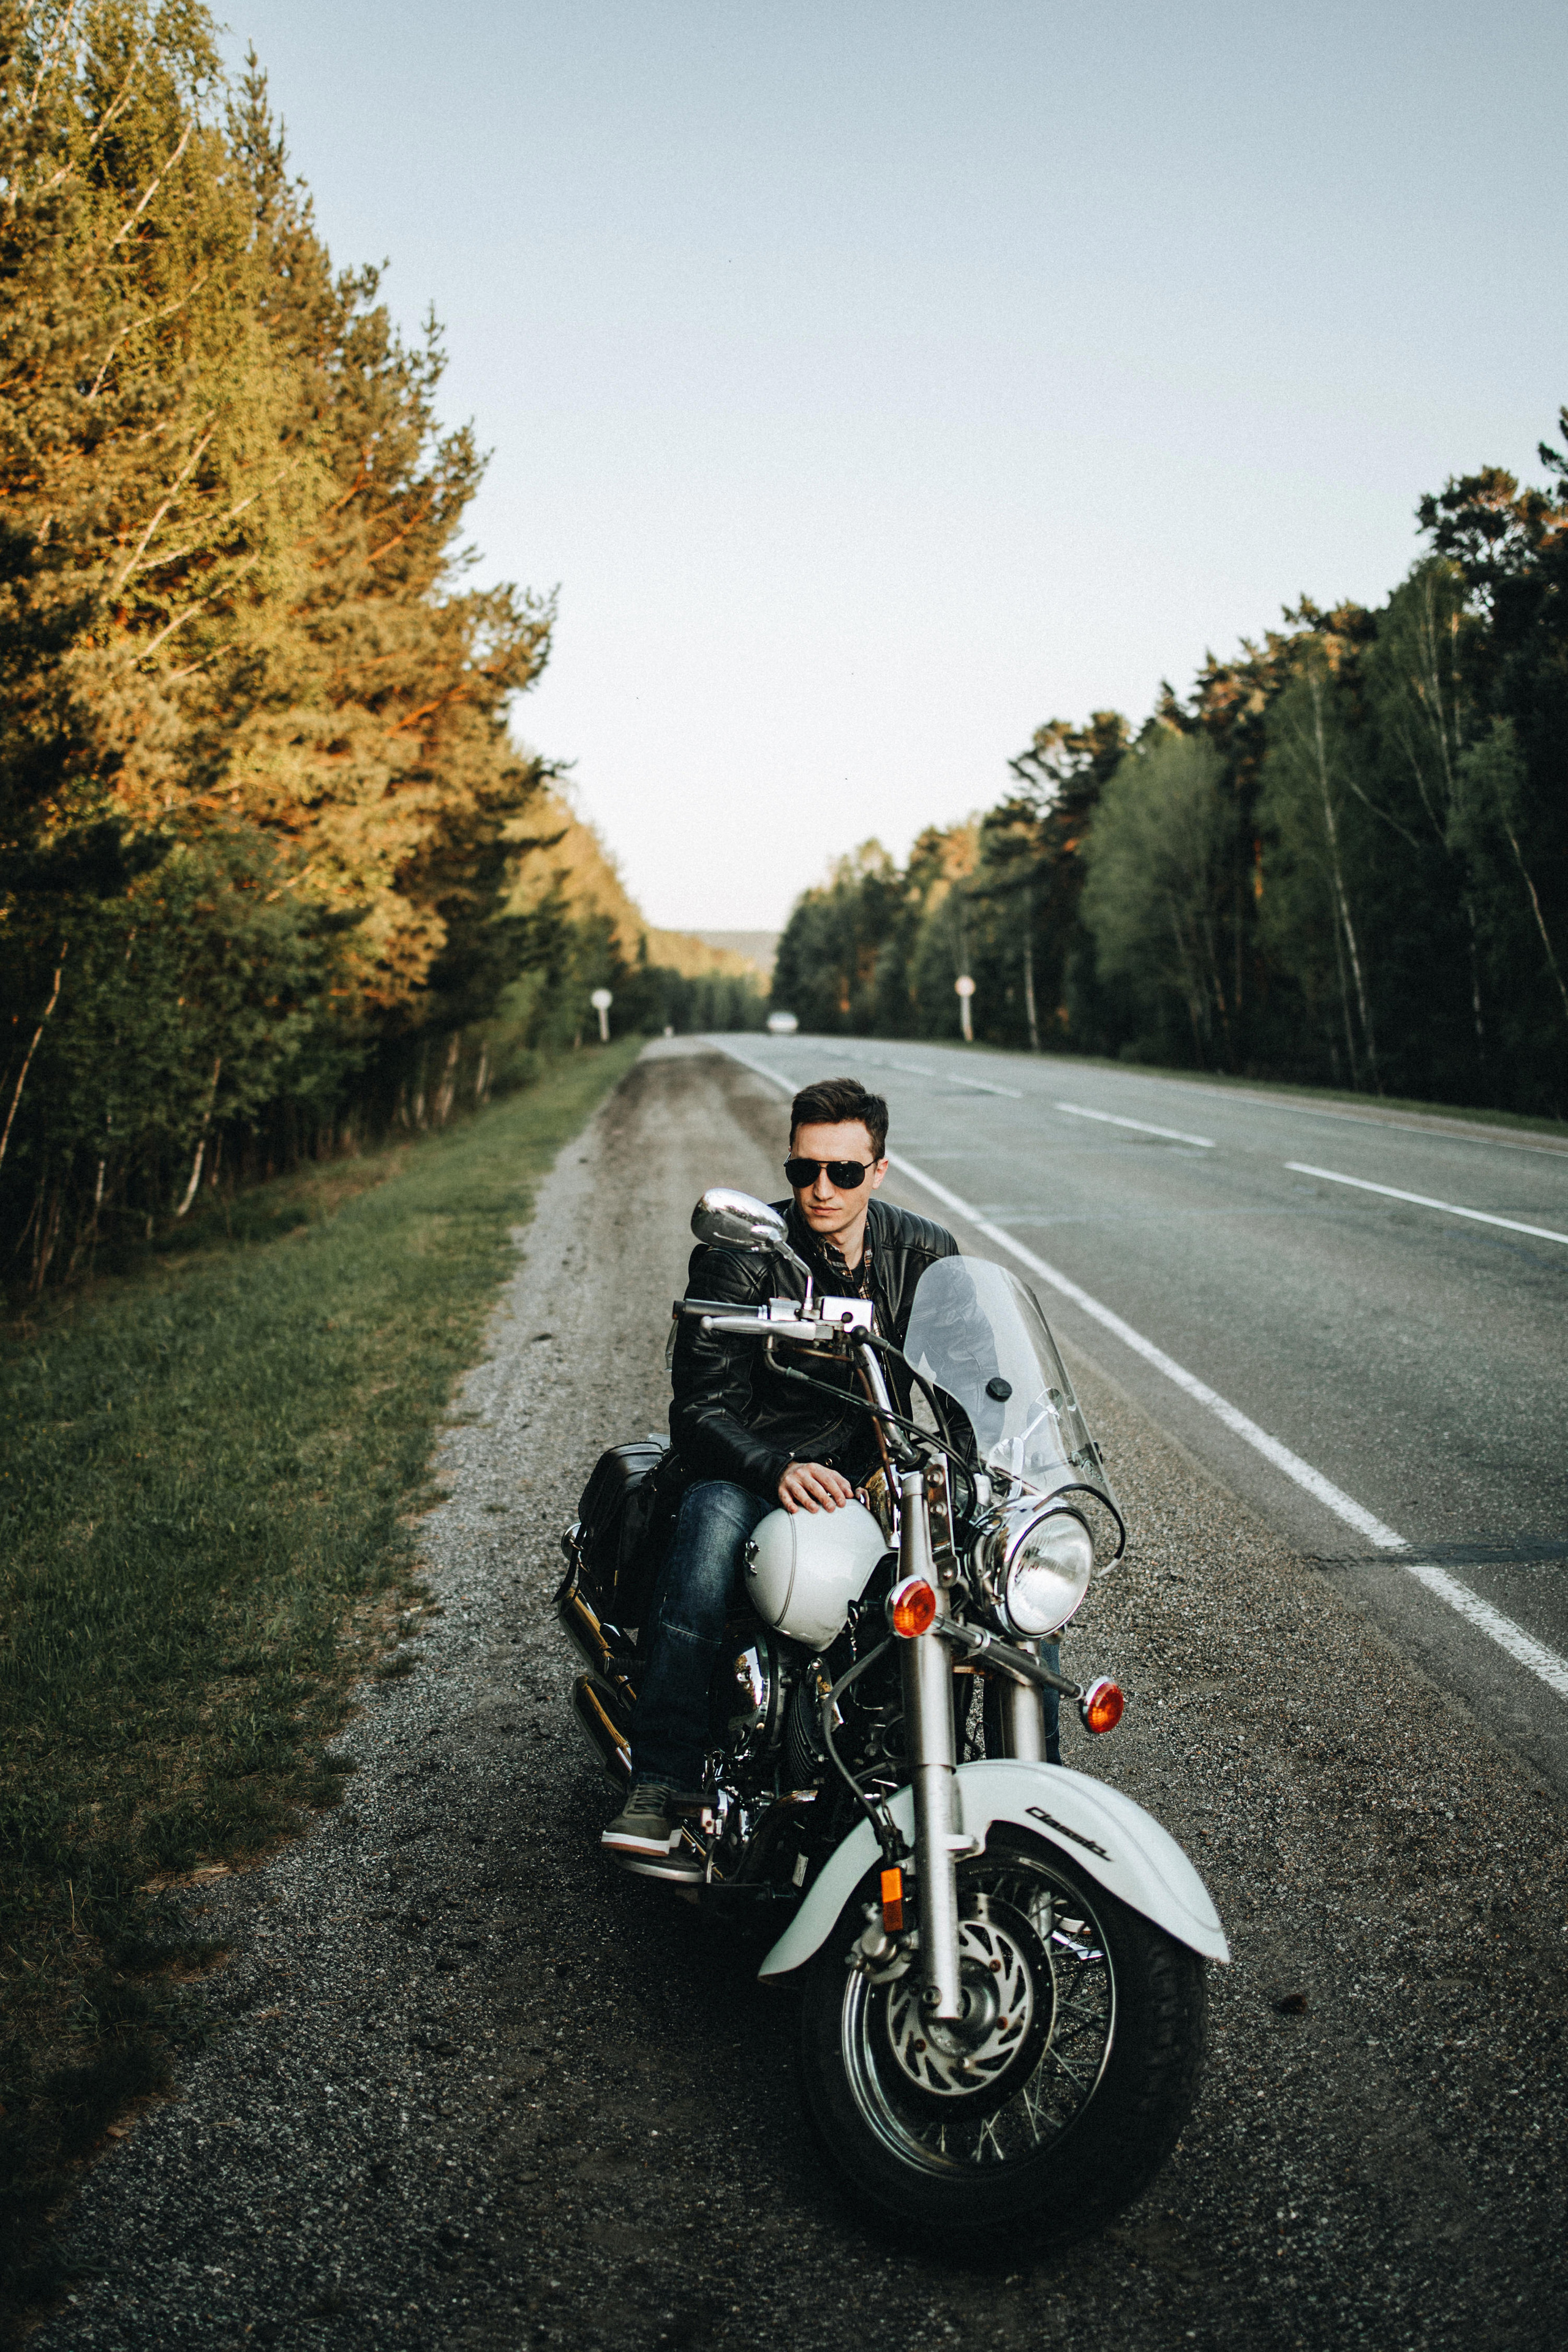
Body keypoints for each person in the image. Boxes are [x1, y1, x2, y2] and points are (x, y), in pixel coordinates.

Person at [602, 1076, 959, 1868]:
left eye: (844, 1171)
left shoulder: (926, 1253)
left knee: (992, 1564)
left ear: (879, 1171)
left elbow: (973, 1380)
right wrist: (776, 1468)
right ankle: (661, 1779)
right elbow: (699, 1409)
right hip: (751, 1460)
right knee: (706, 1536)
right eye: (805, 1170)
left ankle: (1027, 1774)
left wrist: (980, 1468)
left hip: (871, 1466)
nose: (821, 1189)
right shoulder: (743, 1254)